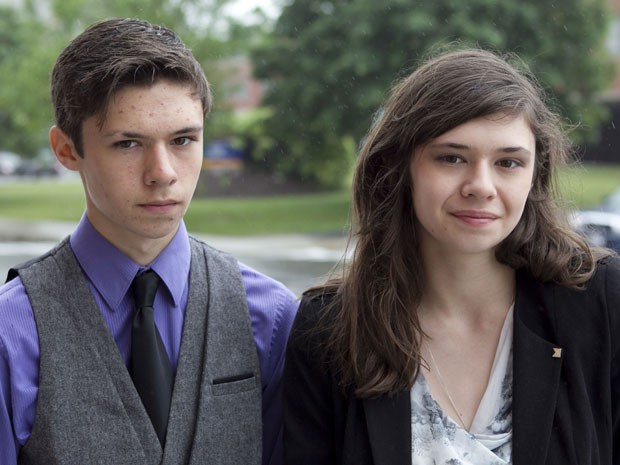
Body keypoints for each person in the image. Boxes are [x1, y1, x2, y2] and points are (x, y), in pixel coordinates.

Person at [283, 48, 620, 465]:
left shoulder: (600, 299)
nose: (481, 185)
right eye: (452, 158)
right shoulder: (329, 329)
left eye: (509, 162)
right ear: (400, 168)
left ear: (536, 176)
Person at [0, 18, 298, 465]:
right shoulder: (12, 332)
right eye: (128, 144)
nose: (163, 173)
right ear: (66, 150)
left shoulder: (271, 317)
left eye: (183, 139)